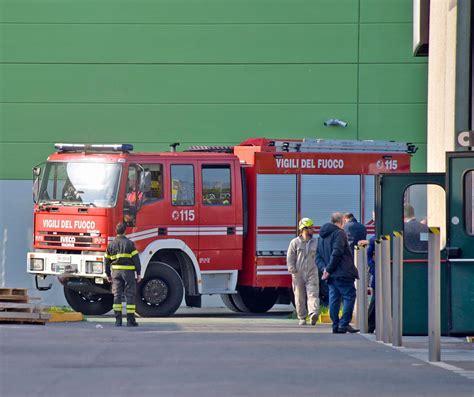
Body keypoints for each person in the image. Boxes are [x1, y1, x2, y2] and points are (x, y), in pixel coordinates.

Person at [317, 212, 359, 333]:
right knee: (349, 296)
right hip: (342, 272)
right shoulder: (339, 233)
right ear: (341, 222)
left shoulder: (321, 237)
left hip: (330, 275)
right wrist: (329, 270)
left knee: (334, 299)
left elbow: (318, 257)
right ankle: (343, 323)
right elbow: (337, 252)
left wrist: (324, 270)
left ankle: (335, 325)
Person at [105, 223, 142, 327]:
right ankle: (130, 321)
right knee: (130, 295)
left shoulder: (111, 245)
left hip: (115, 273)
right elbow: (136, 260)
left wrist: (108, 274)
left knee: (116, 295)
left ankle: (118, 321)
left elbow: (106, 261)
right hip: (128, 273)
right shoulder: (130, 244)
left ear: (116, 231)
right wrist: (138, 273)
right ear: (125, 231)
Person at [287, 218, 319, 326]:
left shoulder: (316, 242)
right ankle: (302, 317)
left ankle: (313, 313)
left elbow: (319, 256)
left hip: (312, 271)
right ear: (303, 229)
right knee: (299, 296)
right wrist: (292, 269)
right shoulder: (295, 242)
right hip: (298, 272)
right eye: (310, 228)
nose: (312, 230)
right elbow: (290, 257)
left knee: (313, 293)